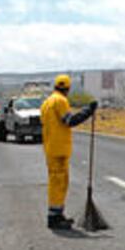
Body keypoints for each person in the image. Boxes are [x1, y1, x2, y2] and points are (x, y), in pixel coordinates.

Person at [40, 74, 97, 229]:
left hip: (51, 148)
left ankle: (56, 214)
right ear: (68, 88)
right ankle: (55, 218)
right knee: (59, 183)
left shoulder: (47, 102)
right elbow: (70, 121)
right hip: (59, 150)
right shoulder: (60, 101)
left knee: (56, 182)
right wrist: (88, 111)